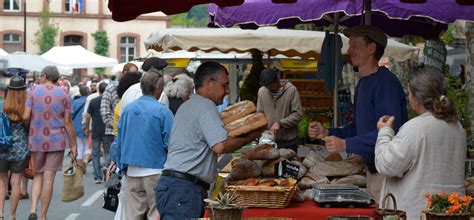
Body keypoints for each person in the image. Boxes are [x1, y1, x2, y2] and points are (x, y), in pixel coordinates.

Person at [308, 25, 408, 201]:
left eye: (355, 45)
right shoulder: (364, 83)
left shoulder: (385, 83)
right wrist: (329, 132)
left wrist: (346, 144)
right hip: (373, 170)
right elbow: (358, 127)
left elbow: (389, 132)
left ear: (371, 48)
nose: (349, 50)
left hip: (387, 174)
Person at [155, 61, 263, 219]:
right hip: (184, 189)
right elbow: (220, 146)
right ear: (208, 83)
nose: (227, 91)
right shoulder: (205, 106)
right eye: (224, 85)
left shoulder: (188, 105)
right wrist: (251, 135)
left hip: (175, 186)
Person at [374, 69, 466, 219]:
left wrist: (385, 132)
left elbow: (387, 165)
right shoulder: (457, 127)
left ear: (417, 99)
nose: (408, 97)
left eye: (409, 93)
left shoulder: (415, 128)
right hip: (450, 213)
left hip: (417, 213)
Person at [117, 71, 173, 220]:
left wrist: (121, 166)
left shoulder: (128, 109)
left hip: (132, 169)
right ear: (158, 87)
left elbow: (120, 140)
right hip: (156, 169)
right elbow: (170, 142)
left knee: (133, 215)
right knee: (155, 213)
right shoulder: (163, 111)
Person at [23, 66, 78, 220]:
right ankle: (43, 216)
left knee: (37, 175)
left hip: (37, 139)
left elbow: (26, 116)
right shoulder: (64, 93)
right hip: (56, 141)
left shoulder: (33, 91)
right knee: (49, 178)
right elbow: (68, 122)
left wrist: (30, 128)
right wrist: (73, 145)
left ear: (45, 76)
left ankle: (33, 209)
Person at [0, 76, 29, 219]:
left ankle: (0, 213)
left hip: (2, 147)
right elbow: (29, 128)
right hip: (21, 149)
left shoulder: (2, 106)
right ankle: (13, 215)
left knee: (2, 181)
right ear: (23, 90)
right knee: (16, 182)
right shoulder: (25, 109)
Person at [257, 68, 303, 152]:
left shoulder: (291, 90)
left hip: (289, 142)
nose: (268, 89)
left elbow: (298, 114)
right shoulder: (262, 92)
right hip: (269, 142)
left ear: (277, 80)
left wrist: (280, 123)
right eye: (266, 87)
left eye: (271, 86)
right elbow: (260, 113)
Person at [84, 82, 108, 184]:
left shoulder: (93, 101)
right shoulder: (108, 102)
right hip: (107, 130)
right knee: (108, 151)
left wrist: (86, 127)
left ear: (98, 90)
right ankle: (106, 166)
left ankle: (97, 176)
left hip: (95, 130)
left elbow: (88, 116)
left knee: (95, 153)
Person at [71, 85, 90, 172]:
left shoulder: (75, 102)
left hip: (76, 126)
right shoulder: (90, 100)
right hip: (87, 126)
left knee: (79, 146)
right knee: (87, 146)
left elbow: (71, 115)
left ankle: (79, 166)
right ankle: (85, 163)